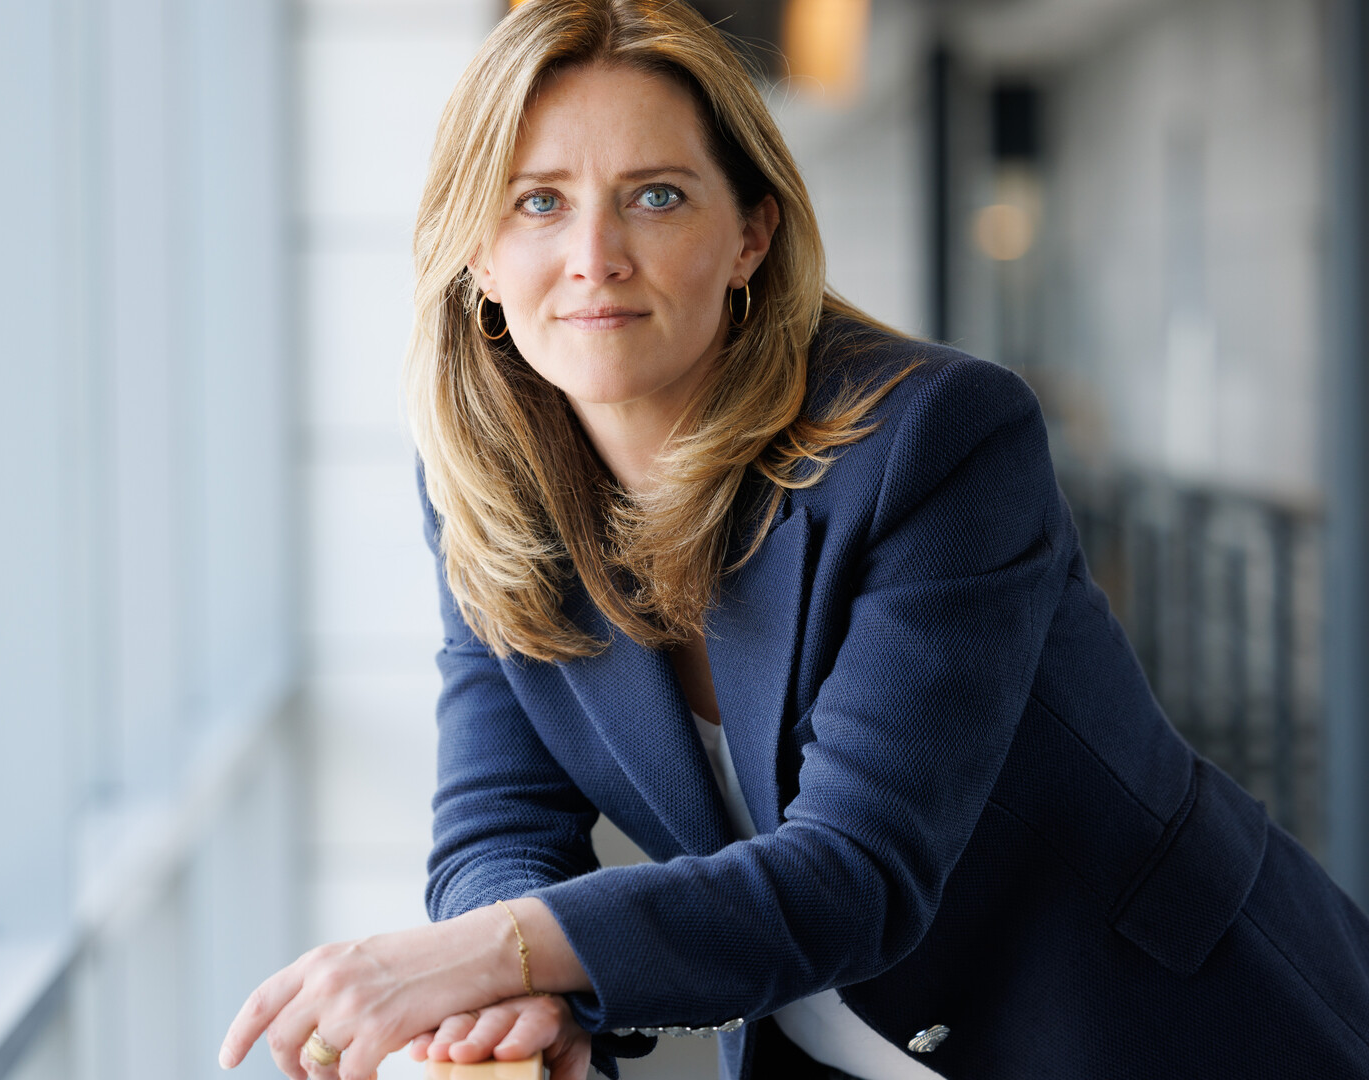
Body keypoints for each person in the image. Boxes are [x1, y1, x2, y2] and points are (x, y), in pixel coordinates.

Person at [219, 2, 1369, 1078]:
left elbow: (855, 875)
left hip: (1164, 1026)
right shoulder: (486, 488)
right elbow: (497, 818)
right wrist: (527, 995)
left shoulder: (940, 442)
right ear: (477, 256)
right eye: (537, 201)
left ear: (751, 234)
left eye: (656, 196)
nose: (595, 256)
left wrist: (489, 953)